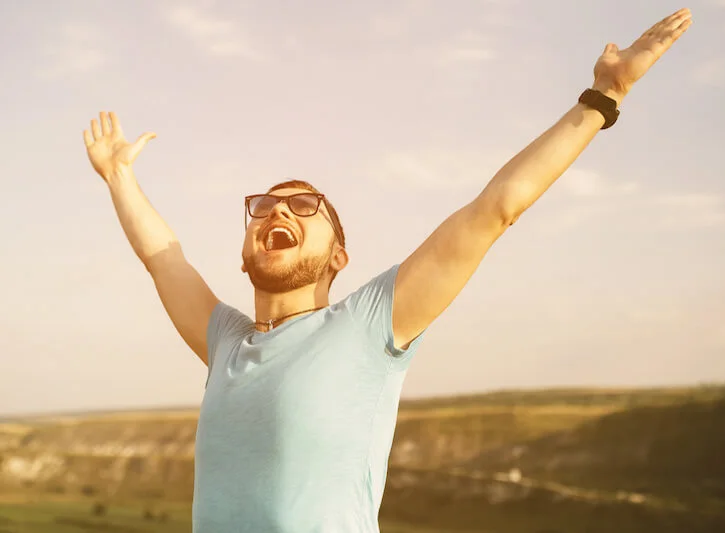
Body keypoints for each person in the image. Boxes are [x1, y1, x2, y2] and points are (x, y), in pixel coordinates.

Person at [82, 8, 692, 533]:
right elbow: (163, 260)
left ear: (338, 257)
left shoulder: (369, 324)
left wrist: (603, 98)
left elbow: (493, 211)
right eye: (264, 206)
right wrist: (119, 176)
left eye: (303, 206)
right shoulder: (225, 342)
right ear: (247, 248)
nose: (277, 210)